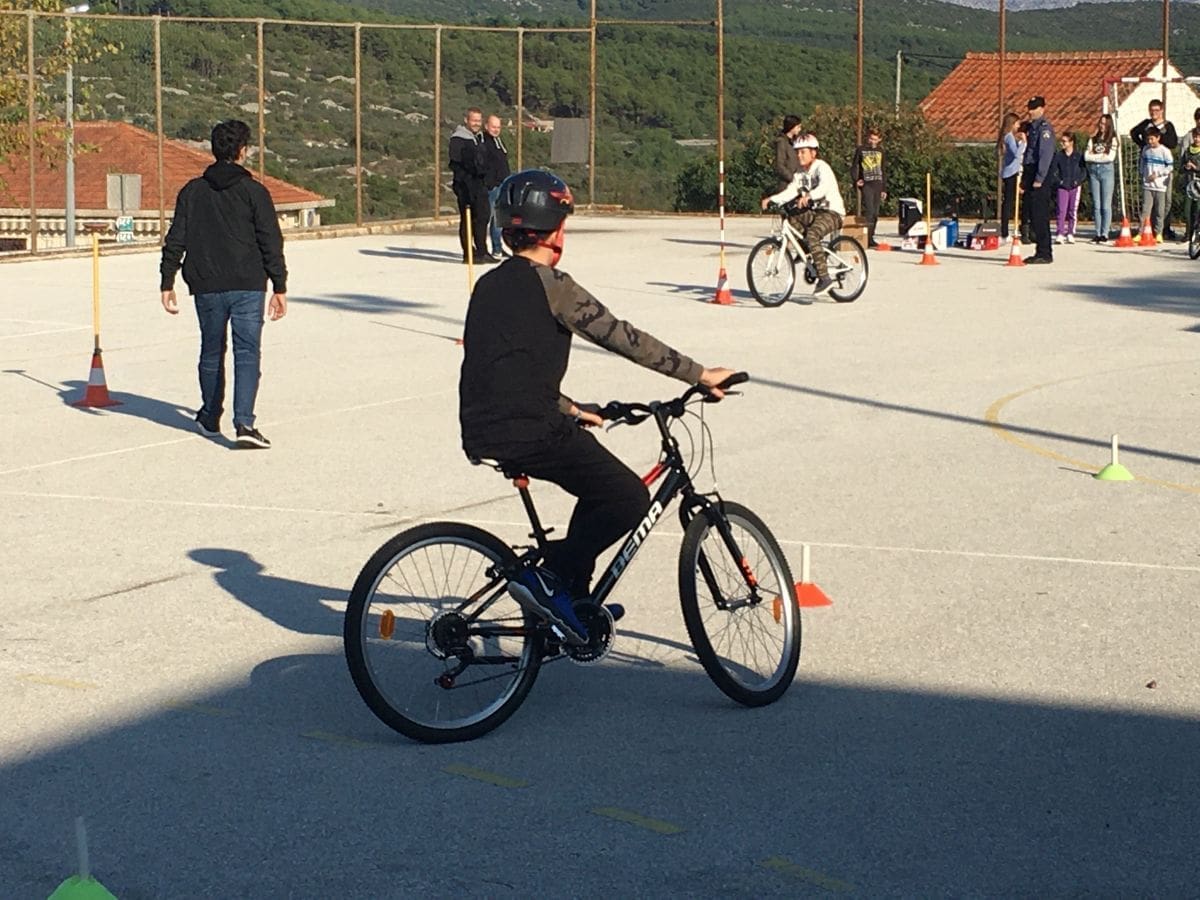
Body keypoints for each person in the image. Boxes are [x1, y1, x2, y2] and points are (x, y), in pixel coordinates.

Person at [458, 169, 735, 645]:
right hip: (532, 430)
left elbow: (508, 369)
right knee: (627, 498)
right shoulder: (554, 285)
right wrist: (699, 374)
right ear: (557, 231)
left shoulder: (487, 286)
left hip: (483, 428)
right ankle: (550, 578)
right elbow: (622, 337)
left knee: (596, 487)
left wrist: (571, 408)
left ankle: (571, 600)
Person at [159, 119, 286, 450]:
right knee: (247, 352)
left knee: (211, 350)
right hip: (248, 284)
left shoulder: (192, 191)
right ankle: (244, 423)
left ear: (213, 150)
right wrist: (279, 286)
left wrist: (167, 280)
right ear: (243, 151)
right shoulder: (254, 192)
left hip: (206, 285)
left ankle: (209, 416)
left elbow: (176, 238)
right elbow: (271, 241)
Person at [760, 133, 845, 297]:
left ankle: (825, 279)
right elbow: (791, 191)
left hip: (832, 213)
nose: (799, 155)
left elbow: (824, 187)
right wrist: (772, 199)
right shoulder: (799, 173)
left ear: (813, 153)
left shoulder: (821, 168)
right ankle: (806, 251)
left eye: (803, 152)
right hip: (815, 212)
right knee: (792, 219)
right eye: (797, 152)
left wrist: (809, 197)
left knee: (812, 234)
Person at [448, 107, 495, 264]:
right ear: (466, 120)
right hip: (465, 185)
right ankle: (468, 254)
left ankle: (482, 251)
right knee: (467, 219)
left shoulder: (479, 138)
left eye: (479, 121)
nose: (476, 123)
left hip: (480, 184)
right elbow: (456, 163)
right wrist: (466, 180)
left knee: (483, 216)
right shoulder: (458, 139)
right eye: (474, 120)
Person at [1131, 99, 1179, 239]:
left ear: (1162, 111)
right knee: (1148, 203)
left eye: (1157, 110)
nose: (1154, 113)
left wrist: (1158, 138)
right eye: (1152, 110)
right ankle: (1147, 229)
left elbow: (1173, 143)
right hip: (1149, 168)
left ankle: (1164, 229)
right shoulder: (1146, 124)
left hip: (1163, 169)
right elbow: (1134, 133)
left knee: (1165, 201)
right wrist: (1143, 144)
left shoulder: (1168, 126)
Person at [1021, 96, 1057, 264]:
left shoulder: (1044, 129)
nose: (1030, 111)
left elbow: (1045, 155)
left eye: (1034, 108)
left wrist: (1040, 177)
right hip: (1031, 172)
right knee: (1033, 214)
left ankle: (1044, 252)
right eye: (1029, 107)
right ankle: (1039, 250)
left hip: (1039, 174)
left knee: (1040, 214)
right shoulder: (1032, 128)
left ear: (1042, 109)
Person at [850, 126, 888, 248]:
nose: (873, 142)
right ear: (868, 138)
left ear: (879, 140)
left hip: (878, 184)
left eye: (875, 139)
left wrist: (884, 188)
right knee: (869, 212)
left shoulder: (881, 151)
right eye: (871, 139)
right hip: (867, 184)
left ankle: (871, 237)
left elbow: (883, 169)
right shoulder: (861, 150)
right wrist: (856, 180)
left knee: (875, 213)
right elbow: (854, 166)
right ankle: (866, 238)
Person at [1084, 113, 1117, 242]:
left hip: (1106, 172)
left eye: (1104, 124)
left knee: (1105, 205)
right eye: (1100, 123)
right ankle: (1097, 232)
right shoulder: (1093, 139)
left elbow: (1110, 158)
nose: (1102, 126)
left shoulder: (1113, 139)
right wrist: (1100, 157)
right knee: (1096, 204)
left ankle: (1105, 233)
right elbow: (1086, 156)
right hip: (1094, 171)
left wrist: (1095, 156)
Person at [482, 114, 511, 257]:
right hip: (492, 187)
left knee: (498, 218)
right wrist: (490, 182)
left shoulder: (498, 141)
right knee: (487, 218)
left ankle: (497, 247)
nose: (496, 129)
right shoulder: (484, 142)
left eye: (498, 127)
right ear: (486, 126)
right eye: (493, 127)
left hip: (502, 184)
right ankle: (481, 249)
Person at [1139, 125, 1173, 240]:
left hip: (1160, 186)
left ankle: (1158, 233)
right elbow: (1142, 163)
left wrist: (1157, 175)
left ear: (1158, 138)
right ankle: (1141, 232)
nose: (1150, 141)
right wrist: (1143, 174)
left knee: (1159, 211)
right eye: (1148, 139)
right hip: (1148, 185)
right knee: (1145, 210)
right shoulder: (1146, 149)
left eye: (1152, 139)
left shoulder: (1165, 151)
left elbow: (1170, 167)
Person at [1053, 133, 1086, 244]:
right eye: (1061, 141)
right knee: (1061, 210)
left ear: (1071, 142)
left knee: (1072, 210)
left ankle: (1070, 232)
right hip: (1062, 187)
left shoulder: (1078, 156)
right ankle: (1060, 233)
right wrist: (1060, 182)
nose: (1062, 143)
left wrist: (1078, 181)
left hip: (1074, 187)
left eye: (1064, 141)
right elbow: (1054, 171)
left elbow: (1083, 171)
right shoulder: (1059, 156)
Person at [997, 112, 1025, 240]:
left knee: (1010, 202)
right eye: (1017, 124)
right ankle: (1004, 232)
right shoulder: (1008, 137)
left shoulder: (1010, 137)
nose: (1018, 126)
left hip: (1012, 171)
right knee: (1008, 203)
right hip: (1011, 172)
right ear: (1012, 124)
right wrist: (1023, 143)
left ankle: (1006, 230)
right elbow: (1016, 153)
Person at [773, 114, 804, 191]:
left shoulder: (797, 142)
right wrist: (792, 178)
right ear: (791, 127)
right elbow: (779, 165)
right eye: (798, 127)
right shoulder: (781, 142)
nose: (800, 129)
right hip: (786, 186)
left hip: (799, 185)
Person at [1180, 128, 1200, 243]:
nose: (1197, 139)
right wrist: (1185, 167)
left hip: (1199, 186)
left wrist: (1196, 168)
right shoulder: (1188, 151)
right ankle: (1188, 233)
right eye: (1195, 136)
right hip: (1190, 185)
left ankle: (1197, 234)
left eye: (1199, 137)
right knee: (1187, 211)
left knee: (1198, 210)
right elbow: (1181, 167)